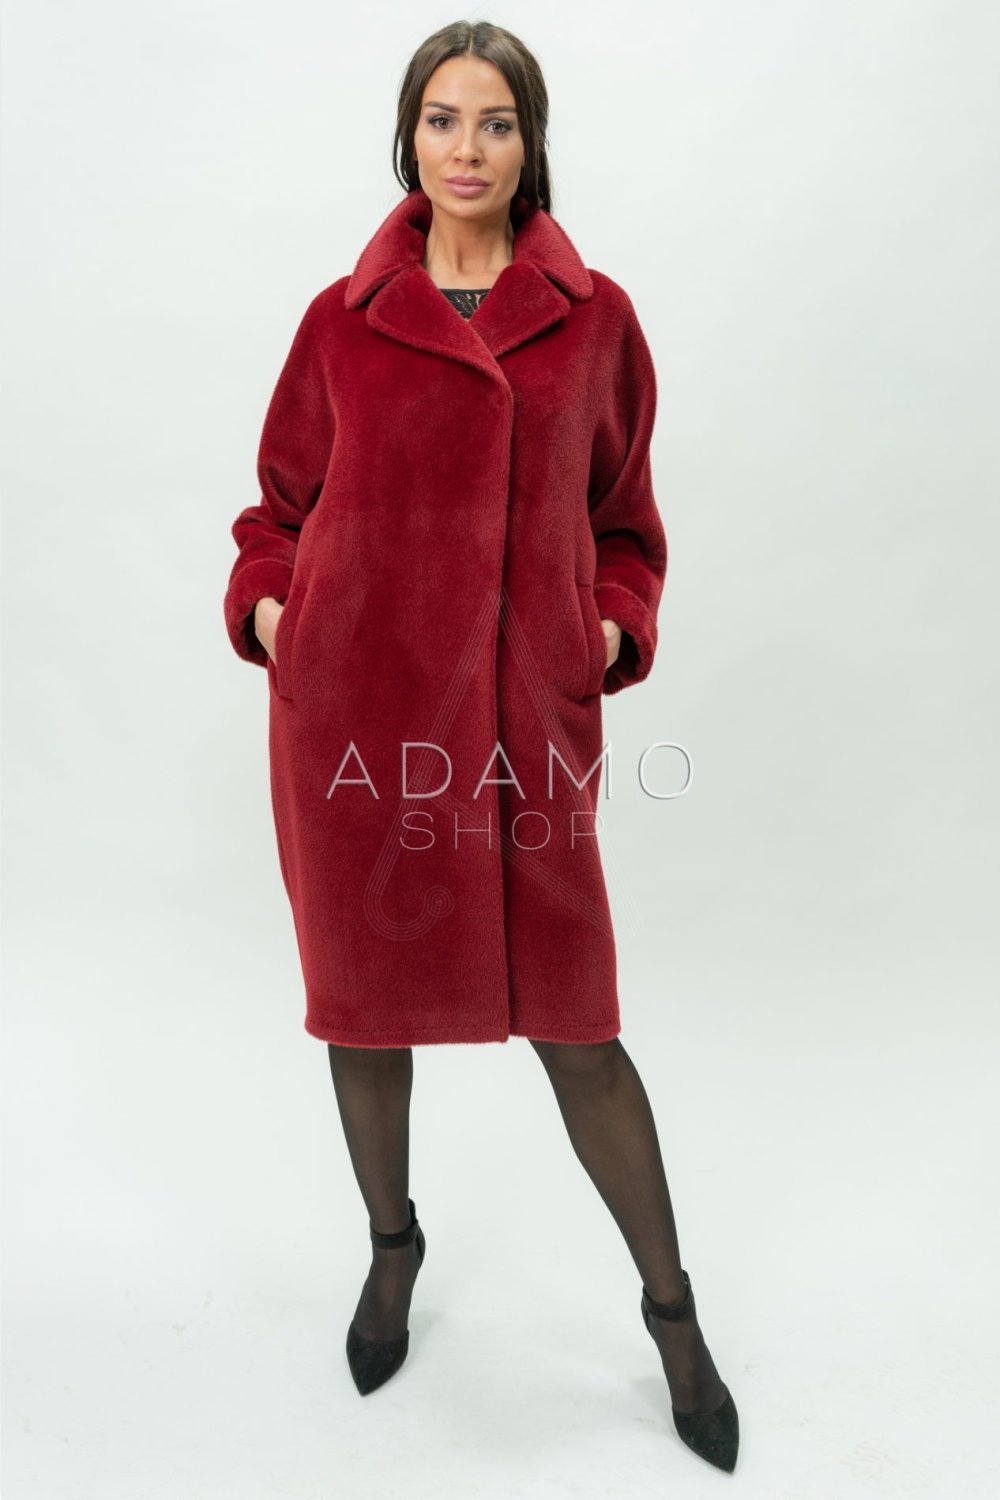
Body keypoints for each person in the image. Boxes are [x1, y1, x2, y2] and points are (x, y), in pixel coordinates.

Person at [223, 19, 738, 1473]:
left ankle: (673, 1317)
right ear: (409, 138)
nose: (466, 147)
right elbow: (276, 507)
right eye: (442, 120)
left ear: (531, 141)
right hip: (356, 722)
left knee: (580, 1030)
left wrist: (609, 633)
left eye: (495, 122)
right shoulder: (342, 322)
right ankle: (393, 1249)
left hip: (518, 739)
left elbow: (626, 522)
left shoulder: (594, 320)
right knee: (364, 1015)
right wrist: (276, 612)